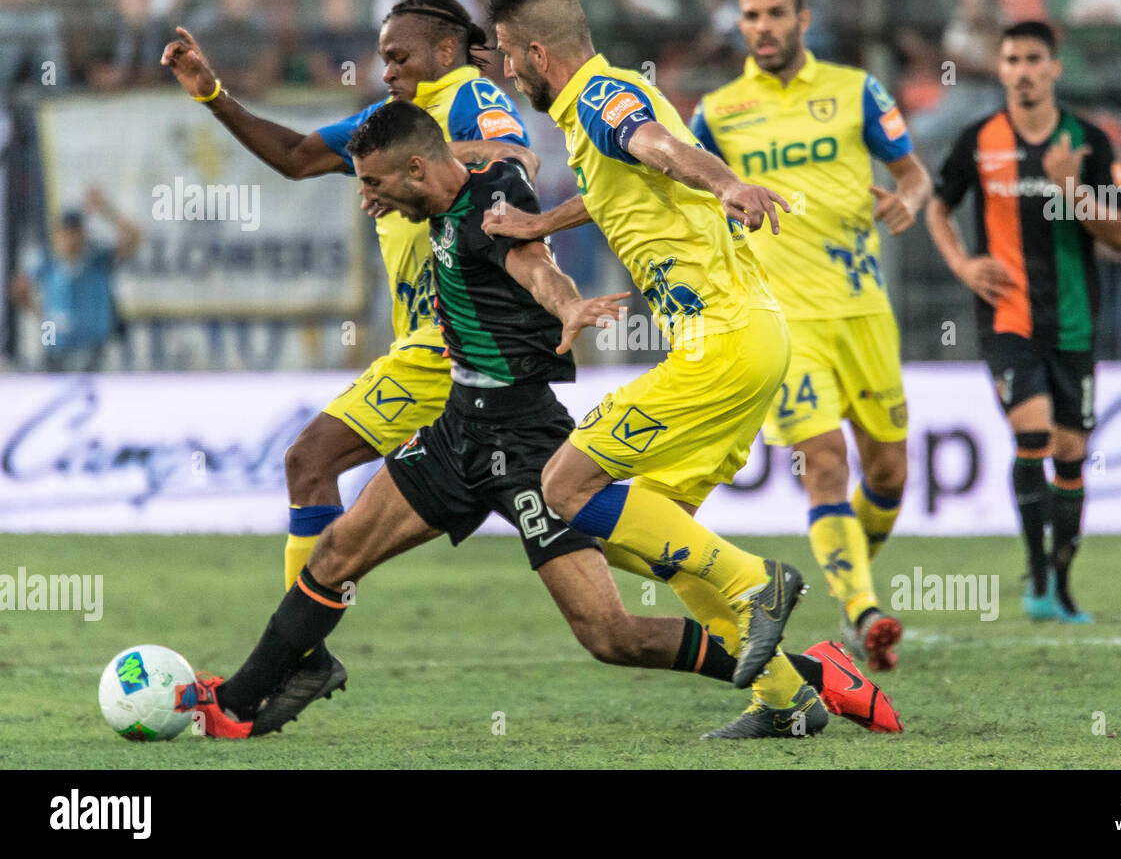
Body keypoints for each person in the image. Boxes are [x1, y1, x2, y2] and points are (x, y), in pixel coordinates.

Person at [182, 103, 900, 740]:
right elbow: (498, 153)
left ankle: (806, 674)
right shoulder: (451, 184)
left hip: (527, 443)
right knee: (336, 554)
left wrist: (568, 307)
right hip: (456, 430)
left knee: (611, 636)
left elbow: (533, 264)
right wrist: (442, 162)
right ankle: (240, 704)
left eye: (372, 184)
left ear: (411, 169)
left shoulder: (495, 211)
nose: (365, 199)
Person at [160, 0, 536, 703]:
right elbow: (299, 157)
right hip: (439, 348)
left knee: (310, 460)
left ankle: (297, 657)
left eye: (399, 55)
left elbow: (516, 157)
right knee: (567, 513)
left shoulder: (468, 101)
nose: (385, 67)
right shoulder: (383, 123)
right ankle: (737, 599)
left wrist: (414, 168)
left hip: (450, 341)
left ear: (447, 52)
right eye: (382, 55)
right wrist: (214, 95)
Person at [483, 0, 826, 738]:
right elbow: (620, 185)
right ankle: (783, 700)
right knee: (663, 532)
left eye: (509, 54)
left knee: (565, 487)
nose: (507, 70)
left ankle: (759, 582)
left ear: (538, 51)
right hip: (753, 336)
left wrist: (730, 183)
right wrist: (533, 225)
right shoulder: (588, 113)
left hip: (723, 339)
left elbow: (662, 149)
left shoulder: (606, 100)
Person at [690, 0, 932, 672]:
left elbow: (912, 171)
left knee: (887, 474)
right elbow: (683, 183)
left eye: (774, 13)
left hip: (863, 312)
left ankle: (850, 571)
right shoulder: (719, 112)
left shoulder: (855, 91)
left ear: (802, 19)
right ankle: (864, 610)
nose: (761, 26)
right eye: (750, 15)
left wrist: (908, 198)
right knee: (824, 463)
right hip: (783, 321)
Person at [926, 21, 1121, 623]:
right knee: (1033, 434)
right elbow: (937, 207)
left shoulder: (1091, 141)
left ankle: (1060, 584)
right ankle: (1037, 576)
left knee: (1071, 453)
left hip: (1073, 322)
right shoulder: (978, 139)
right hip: (1007, 316)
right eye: (1011, 58)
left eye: (1033, 59)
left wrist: (1075, 191)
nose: (1022, 70)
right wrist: (964, 265)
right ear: (1002, 67)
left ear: (1054, 68)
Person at [12, 187, 141, 372]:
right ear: (56, 236)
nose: (70, 239)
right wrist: (44, 317)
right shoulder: (46, 262)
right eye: (65, 233)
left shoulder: (98, 259)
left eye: (75, 233)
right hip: (56, 349)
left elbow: (134, 238)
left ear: (84, 234)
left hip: (95, 348)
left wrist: (105, 210)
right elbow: (19, 288)